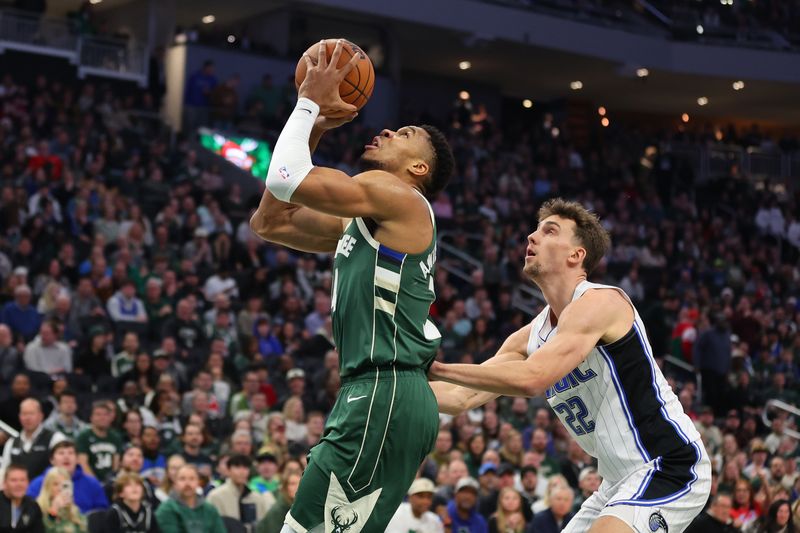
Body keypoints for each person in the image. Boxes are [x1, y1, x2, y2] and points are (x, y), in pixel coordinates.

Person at [249, 40, 454, 532]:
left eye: (403, 134)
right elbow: (269, 221)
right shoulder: (364, 220)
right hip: (377, 391)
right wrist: (316, 128)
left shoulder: (398, 195)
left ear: (418, 169)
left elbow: (284, 176)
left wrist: (308, 104)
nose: (385, 129)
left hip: (386, 388)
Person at [431, 199, 712, 533]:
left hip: (669, 463)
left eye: (549, 231)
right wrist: (389, 384)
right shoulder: (527, 338)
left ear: (576, 255)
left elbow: (533, 379)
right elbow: (461, 398)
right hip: (614, 481)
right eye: (534, 230)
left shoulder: (602, 302)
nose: (531, 238)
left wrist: (435, 367)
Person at [27, 441, 108, 514]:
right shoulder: (38, 483)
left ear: (77, 459)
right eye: (61, 453)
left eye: (70, 453)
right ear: (52, 460)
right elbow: (28, 511)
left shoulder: (92, 483)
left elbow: (101, 512)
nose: (66, 457)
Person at [1, 399, 66, 480]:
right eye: (24, 414)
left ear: (41, 416)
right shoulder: (12, 443)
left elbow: (64, 470)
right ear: (19, 417)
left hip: (46, 490)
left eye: (31, 413)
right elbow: (4, 472)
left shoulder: (56, 438)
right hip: (19, 491)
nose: (27, 418)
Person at [207, 454, 274, 529]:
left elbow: (263, 526)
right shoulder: (215, 496)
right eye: (237, 467)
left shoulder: (257, 497)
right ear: (229, 470)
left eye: (245, 468)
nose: (242, 472)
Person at [155, 464, 225, 533]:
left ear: (198, 482)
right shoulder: (166, 509)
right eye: (182, 479)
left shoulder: (209, 509)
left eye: (192, 479)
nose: (187, 483)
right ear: (175, 484)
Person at [75, 402, 122, 483]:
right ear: (91, 417)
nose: (102, 417)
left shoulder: (115, 437)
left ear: (110, 418)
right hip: (89, 481)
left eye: (105, 415)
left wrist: (112, 481)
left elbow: (116, 464)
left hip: (110, 481)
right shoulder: (83, 437)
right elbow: (83, 464)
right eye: (98, 414)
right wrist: (96, 483)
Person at [35, 467, 86, 532]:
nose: (59, 488)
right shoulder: (38, 508)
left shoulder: (74, 510)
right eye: (55, 484)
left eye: (64, 485)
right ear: (48, 486)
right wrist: (53, 510)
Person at [0, 463, 45, 533]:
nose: (19, 484)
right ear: (5, 483)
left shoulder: (33, 506)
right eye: (14, 480)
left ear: (28, 483)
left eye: (22, 480)